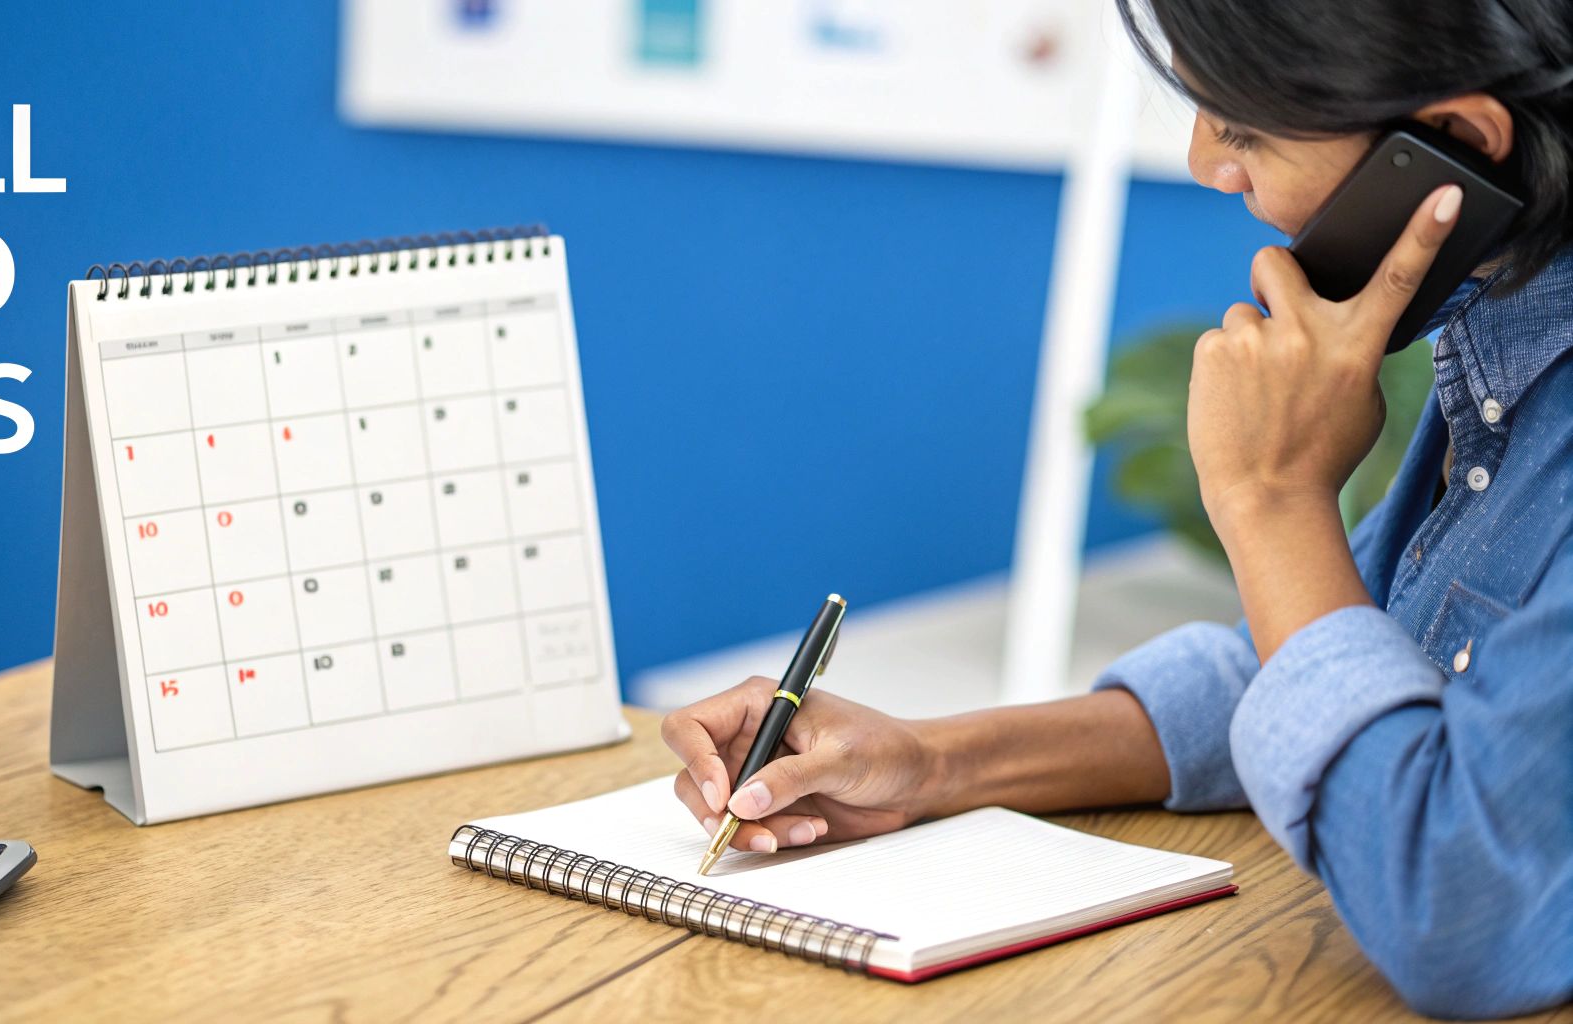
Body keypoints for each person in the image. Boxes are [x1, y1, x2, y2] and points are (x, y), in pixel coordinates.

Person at [662, 0, 1573, 1016]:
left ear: (1450, 144)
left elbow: (1461, 911)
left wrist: (1270, 499)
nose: (1203, 163)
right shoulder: (1508, 340)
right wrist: (929, 764)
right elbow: (1331, 665)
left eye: (1244, 128)